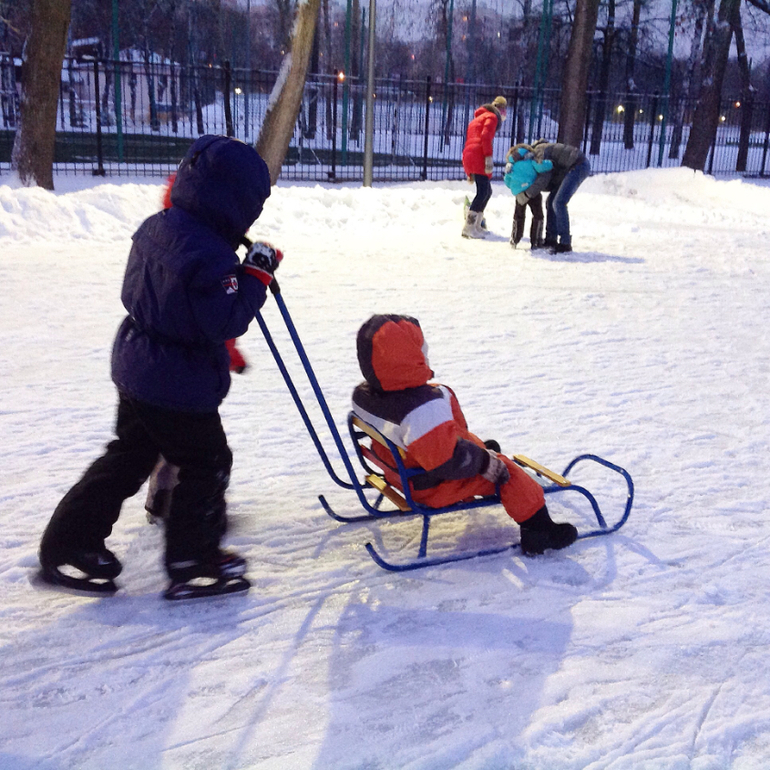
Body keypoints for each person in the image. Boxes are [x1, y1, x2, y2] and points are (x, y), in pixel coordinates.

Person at [38, 135, 284, 600]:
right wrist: (255, 275)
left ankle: (68, 544)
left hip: (136, 363)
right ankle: (193, 559)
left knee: (129, 455)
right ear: (236, 202)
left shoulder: (159, 225)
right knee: (207, 462)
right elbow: (225, 319)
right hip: (177, 382)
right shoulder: (210, 258)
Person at [351, 314, 578, 556]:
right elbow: (445, 460)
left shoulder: (367, 395)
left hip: (400, 472)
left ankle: (477, 450)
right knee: (507, 472)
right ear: (410, 358)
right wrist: (482, 461)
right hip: (430, 485)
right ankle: (539, 530)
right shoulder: (420, 410)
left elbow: (425, 442)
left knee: (457, 424)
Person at [519, 139, 591, 254]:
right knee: (551, 201)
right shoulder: (540, 151)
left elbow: (545, 179)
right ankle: (551, 239)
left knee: (558, 203)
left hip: (578, 166)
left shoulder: (539, 153)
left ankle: (565, 243)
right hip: (572, 167)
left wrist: (527, 193)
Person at [461, 95, 507, 239]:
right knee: (483, 191)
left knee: (486, 190)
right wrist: (488, 156)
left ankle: (476, 225)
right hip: (478, 154)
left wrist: (469, 171)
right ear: (500, 109)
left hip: (470, 154)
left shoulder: (477, 118)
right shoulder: (492, 117)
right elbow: (485, 136)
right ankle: (469, 227)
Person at [503, 143, 553, 250]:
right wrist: (550, 163)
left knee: (519, 215)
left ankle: (515, 238)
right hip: (532, 191)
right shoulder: (531, 161)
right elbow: (543, 167)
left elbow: (507, 182)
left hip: (519, 193)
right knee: (538, 215)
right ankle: (536, 241)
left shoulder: (511, 166)